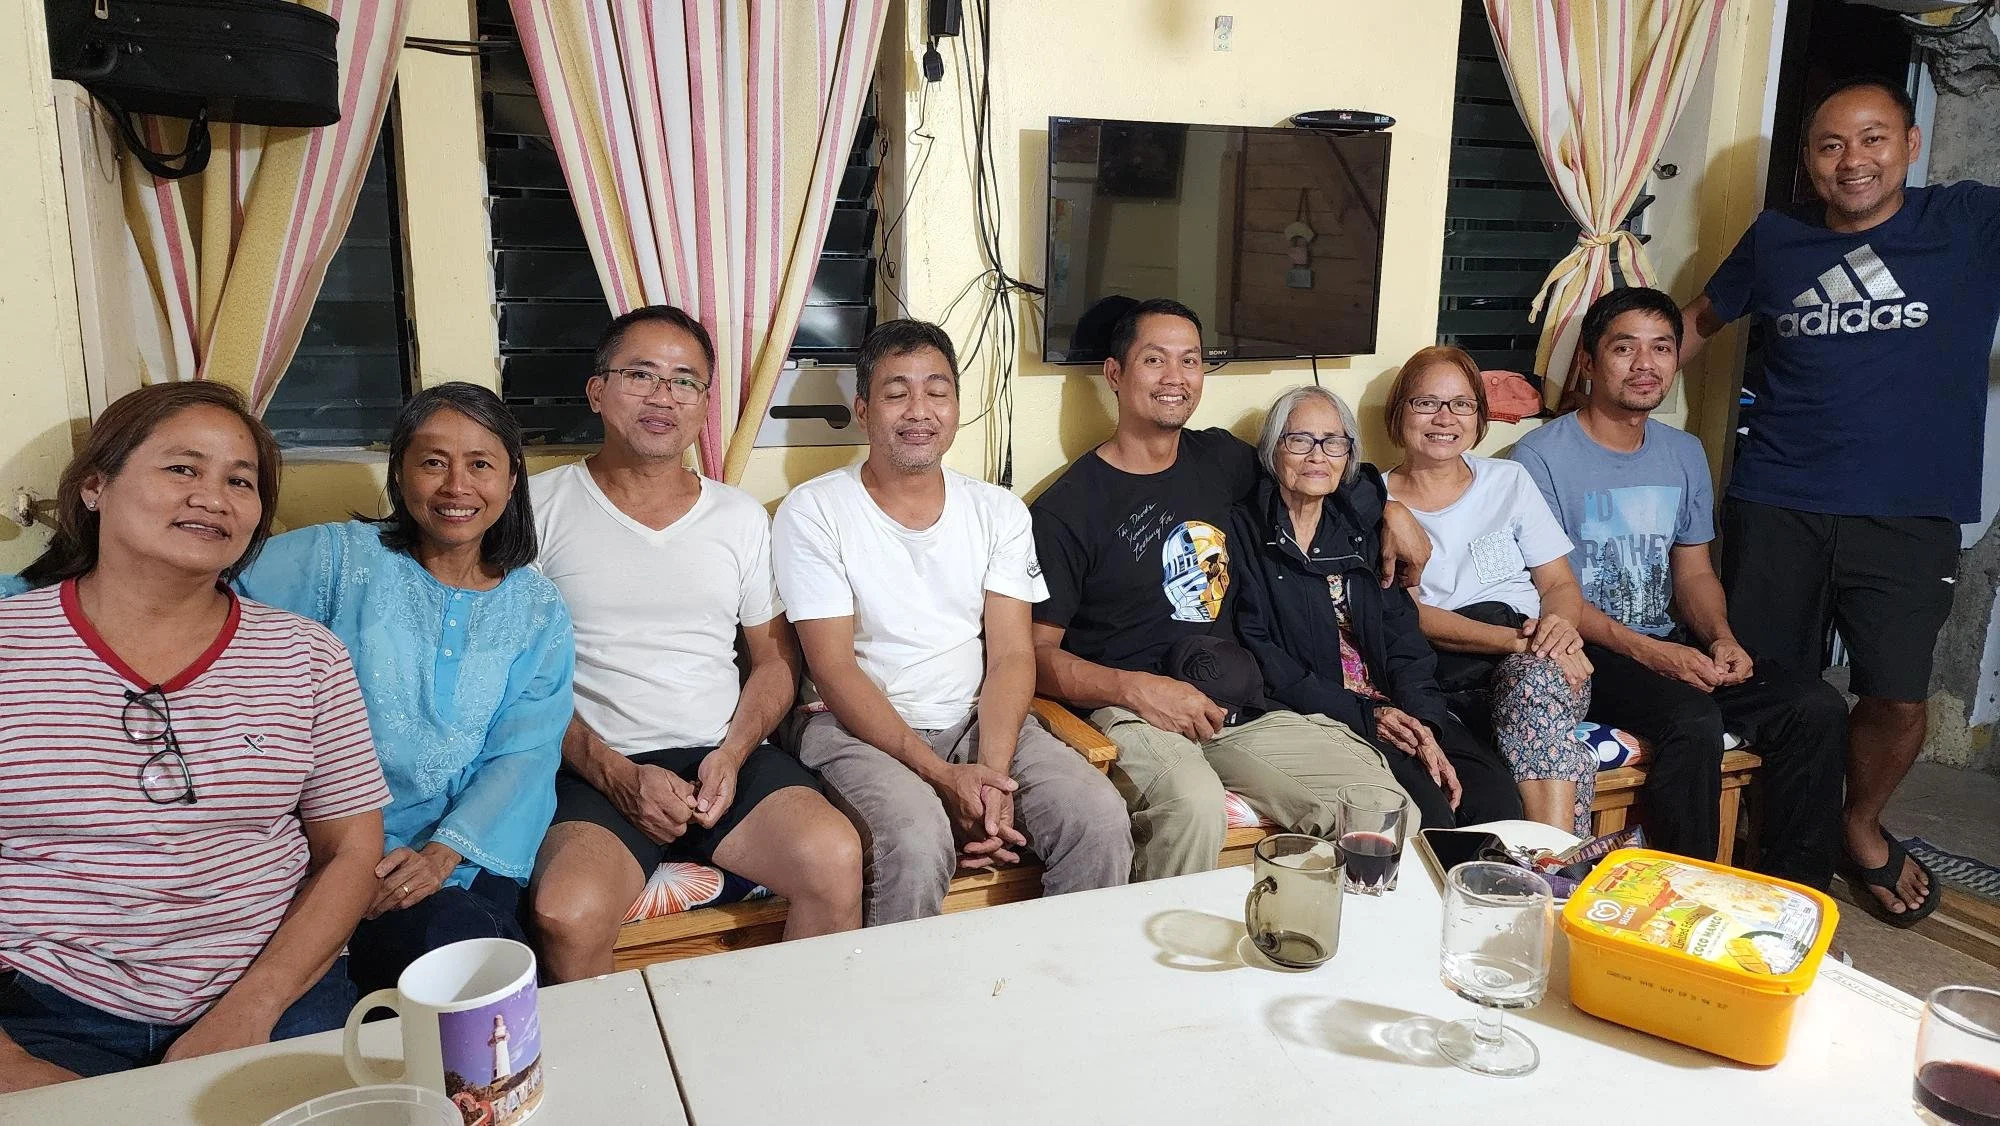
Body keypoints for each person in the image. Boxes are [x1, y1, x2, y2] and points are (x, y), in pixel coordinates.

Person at [0, 383, 388, 1089]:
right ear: (95, 486)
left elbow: (351, 850)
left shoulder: (306, 655)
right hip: (44, 1004)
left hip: (274, 988)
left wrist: (252, 1008)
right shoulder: (12, 648)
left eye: (240, 481)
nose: (213, 497)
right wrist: (11, 1063)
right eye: (182, 468)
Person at [1680, 77, 2000, 922]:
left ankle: (1857, 824)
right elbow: (1700, 320)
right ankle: (1778, 837)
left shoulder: (1968, 222)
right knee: (1770, 686)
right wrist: (1600, 390)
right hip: (1777, 498)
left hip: (1909, 511)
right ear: (1809, 159)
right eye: (1830, 144)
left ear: (1910, 145)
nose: (1852, 160)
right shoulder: (1777, 236)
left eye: (1872, 139)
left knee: (1896, 694)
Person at [1030, 298, 1424, 879]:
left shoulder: (1219, 460)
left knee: (1382, 808)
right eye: (1155, 360)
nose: (1176, 377)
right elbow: (1035, 657)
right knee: (1193, 806)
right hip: (1131, 711)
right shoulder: (1066, 509)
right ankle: (1162, 939)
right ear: (1115, 374)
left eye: (1190, 360)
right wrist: (1135, 689)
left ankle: (1315, 929)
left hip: (1237, 706)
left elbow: (1310, 470)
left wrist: (1391, 510)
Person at [526, 305, 862, 981]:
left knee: (833, 856)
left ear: (705, 406)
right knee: (567, 911)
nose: (663, 396)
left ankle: (808, 1034)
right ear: (596, 391)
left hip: (722, 758)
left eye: (685, 381)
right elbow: (516, 681)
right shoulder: (537, 508)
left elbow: (774, 662)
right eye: (640, 375)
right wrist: (616, 775)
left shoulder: (738, 517)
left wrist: (733, 754)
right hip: (594, 766)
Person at [778, 320, 1131, 924]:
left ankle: (1061, 976)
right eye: (897, 393)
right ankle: (902, 988)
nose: (919, 410)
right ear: (863, 411)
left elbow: (1013, 655)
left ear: (957, 409)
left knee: (1097, 818)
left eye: (937, 392)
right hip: (855, 729)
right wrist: (942, 776)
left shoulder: (998, 511)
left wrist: (989, 776)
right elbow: (833, 670)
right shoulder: (814, 511)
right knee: (915, 843)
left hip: (977, 720)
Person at [235, 383, 573, 995]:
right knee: (455, 958)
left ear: (511, 480)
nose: (456, 487)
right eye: (433, 462)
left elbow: (524, 752)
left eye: (480, 465)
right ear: (400, 472)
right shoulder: (339, 560)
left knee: (475, 948)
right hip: (329, 839)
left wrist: (441, 857)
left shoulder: (537, 608)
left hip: (463, 851)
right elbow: (208, 590)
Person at [1513, 286, 1847, 889]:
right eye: (1625, 348)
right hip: (1589, 651)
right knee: (1691, 719)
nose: (1645, 365)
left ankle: (1790, 893)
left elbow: (1693, 570)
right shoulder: (1540, 457)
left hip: (1669, 642)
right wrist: (1652, 653)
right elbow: (1551, 592)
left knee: (1815, 707)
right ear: (1589, 359)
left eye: (1662, 348)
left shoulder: (1684, 452)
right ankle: (1681, 893)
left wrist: (1720, 638)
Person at [1228, 385, 1524, 831]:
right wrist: (1370, 715)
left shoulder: (1361, 530)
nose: (1317, 456)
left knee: (1495, 798)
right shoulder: (1246, 533)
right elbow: (1264, 657)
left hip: (1395, 706)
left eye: (1333, 442)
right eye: (1300, 440)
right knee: (1430, 814)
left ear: (1348, 455)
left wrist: (1425, 724)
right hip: (1326, 715)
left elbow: (1403, 638)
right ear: (1273, 450)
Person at [1382, 347, 1598, 835]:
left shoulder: (1509, 480)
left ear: (1479, 416)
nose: (1445, 418)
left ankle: (1545, 860)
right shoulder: (1375, 500)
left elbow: (1559, 583)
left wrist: (1558, 632)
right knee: (1551, 721)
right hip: (1446, 672)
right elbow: (1411, 615)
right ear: (1399, 411)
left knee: (1535, 683)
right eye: (1427, 403)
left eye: (1462, 404)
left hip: (1535, 660)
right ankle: (1559, 863)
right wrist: (1523, 644)